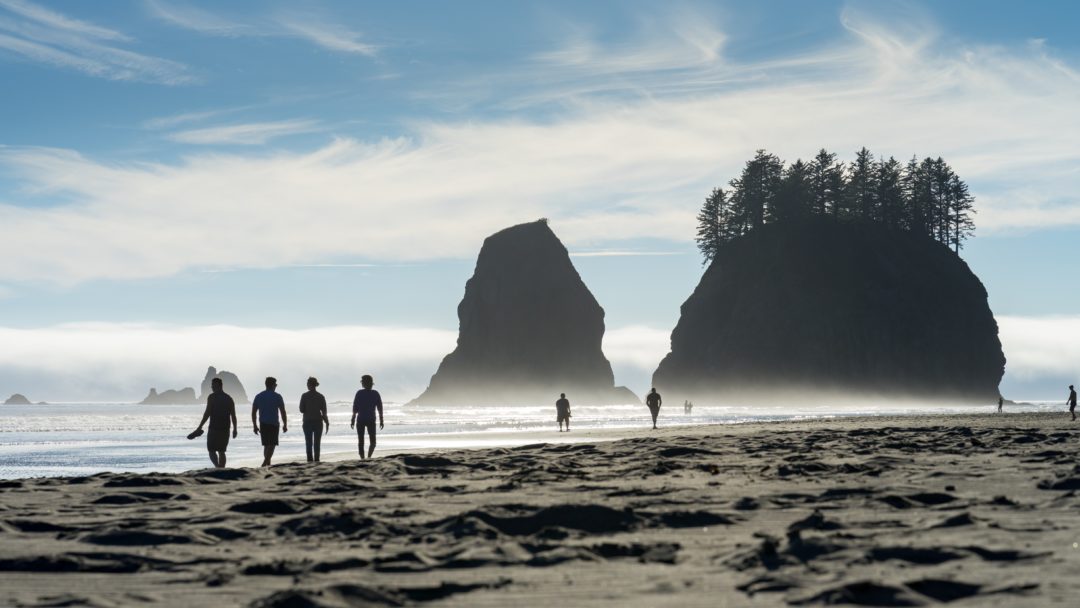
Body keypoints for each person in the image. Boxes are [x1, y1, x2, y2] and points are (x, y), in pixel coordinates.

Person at [192, 377, 237, 468]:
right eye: (212, 386)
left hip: (216, 428)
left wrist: (200, 427)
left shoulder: (213, 397)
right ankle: (219, 468)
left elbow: (207, 413)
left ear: (220, 386)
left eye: (214, 385)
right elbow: (233, 415)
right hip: (222, 428)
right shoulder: (228, 398)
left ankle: (218, 467)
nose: (212, 387)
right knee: (219, 450)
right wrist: (235, 429)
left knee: (214, 450)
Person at [252, 377, 287, 467]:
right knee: (272, 444)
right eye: (275, 385)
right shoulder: (277, 396)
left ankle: (268, 464)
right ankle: (265, 463)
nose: (276, 386)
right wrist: (285, 424)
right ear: (272, 385)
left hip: (263, 423)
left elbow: (253, 412)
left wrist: (255, 425)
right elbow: (283, 411)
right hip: (273, 423)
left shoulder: (259, 396)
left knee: (267, 445)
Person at [350, 374, 383, 459]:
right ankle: (366, 457)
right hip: (366, 420)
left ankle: (365, 458)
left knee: (363, 442)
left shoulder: (362, 393)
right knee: (369, 442)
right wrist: (381, 419)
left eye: (362, 382)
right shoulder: (372, 393)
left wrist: (353, 419)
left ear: (365, 383)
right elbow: (380, 408)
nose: (362, 384)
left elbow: (355, 407)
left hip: (365, 420)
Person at [299, 377, 329, 462]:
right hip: (318, 422)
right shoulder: (320, 396)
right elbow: (324, 412)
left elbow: (301, 410)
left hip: (307, 421)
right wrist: (327, 423)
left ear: (309, 384)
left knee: (308, 443)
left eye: (307, 384)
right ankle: (317, 460)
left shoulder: (304, 396)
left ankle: (309, 460)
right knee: (317, 443)